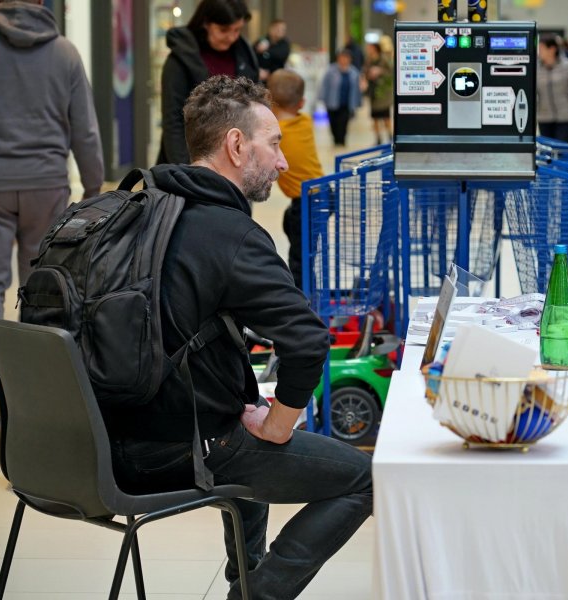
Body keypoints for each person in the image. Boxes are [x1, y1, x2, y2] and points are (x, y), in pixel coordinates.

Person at [107, 75, 372, 600]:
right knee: (362, 477)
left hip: (91, 442)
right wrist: (278, 424)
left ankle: (245, 576)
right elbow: (308, 341)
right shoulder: (231, 234)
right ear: (235, 145)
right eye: (273, 144)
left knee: (241, 409)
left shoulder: (128, 211)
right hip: (173, 450)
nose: (283, 162)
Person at [0, 0, 103, 420]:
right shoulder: (64, 51)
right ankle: (29, 379)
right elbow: (84, 127)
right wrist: (93, 185)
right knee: (40, 281)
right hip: (47, 184)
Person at [157, 0, 258, 165]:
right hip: (193, 156)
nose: (232, 37)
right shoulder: (180, 60)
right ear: (205, 23)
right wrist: (185, 169)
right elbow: (173, 120)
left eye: (237, 30)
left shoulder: (244, 54)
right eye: (223, 30)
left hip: (236, 158)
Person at [268, 69, 324, 287]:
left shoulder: (275, 136)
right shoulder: (306, 122)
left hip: (306, 201)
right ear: (301, 103)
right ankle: (309, 288)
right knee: (299, 237)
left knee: (300, 256)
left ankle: (302, 295)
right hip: (320, 193)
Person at [536, 36, 568, 144]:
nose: (539, 52)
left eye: (541, 48)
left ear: (552, 49)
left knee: (562, 148)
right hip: (544, 117)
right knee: (547, 149)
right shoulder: (536, 68)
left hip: (565, 117)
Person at [318, 49, 361, 147]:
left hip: (346, 103)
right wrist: (322, 98)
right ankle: (336, 139)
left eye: (346, 58)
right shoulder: (330, 71)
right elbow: (324, 85)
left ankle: (341, 140)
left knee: (344, 122)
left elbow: (357, 89)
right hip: (332, 101)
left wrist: (358, 102)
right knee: (333, 123)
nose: (344, 60)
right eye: (342, 58)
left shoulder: (354, 72)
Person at [362, 42, 393, 145]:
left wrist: (380, 71)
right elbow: (365, 72)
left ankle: (390, 137)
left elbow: (391, 72)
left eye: (370, 48)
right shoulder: (369, 60)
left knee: (385, 117)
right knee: (375, 117)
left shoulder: (384, 59)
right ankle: (378, 138)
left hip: (383, 94)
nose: (369, 50)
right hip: (373, 92)